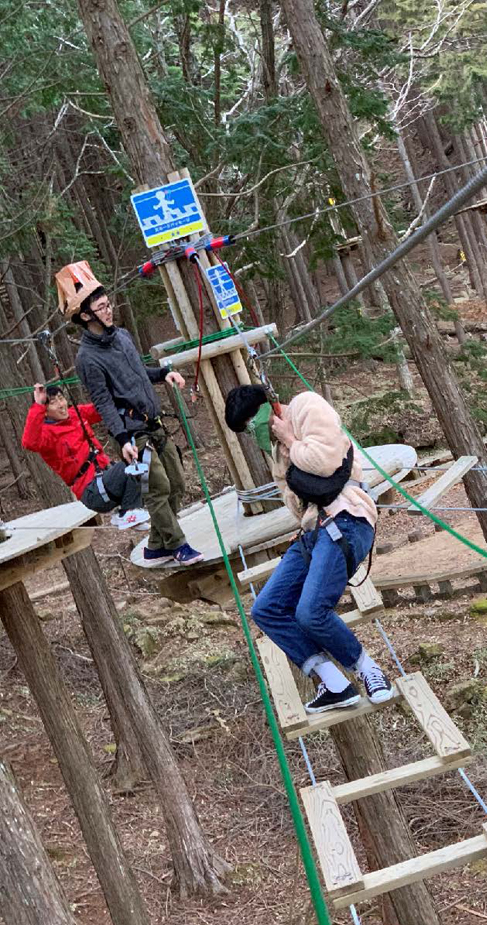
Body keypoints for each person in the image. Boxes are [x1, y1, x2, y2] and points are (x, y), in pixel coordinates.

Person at [225, 383, 395, 714]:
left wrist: (290, 439)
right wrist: (304, 524)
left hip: (347, 517)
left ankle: (369, 670)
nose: (253, 432)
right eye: (246, 430)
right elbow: (297, 500)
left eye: (251, 423)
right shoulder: (277, 453)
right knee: (267, 608)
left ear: (268, 408)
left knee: (311, 612)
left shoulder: (306, 407)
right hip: (314, 531)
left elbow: (325, 462)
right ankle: (334, 683)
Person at [55, 261, 203, 566]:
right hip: (132, 431)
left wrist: (163, 374)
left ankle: (157, 546)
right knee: (157, 488)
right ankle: (178, 545)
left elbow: (138, 371)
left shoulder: (122, 336)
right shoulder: (87, 359)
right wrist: (122, 439)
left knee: (177, 483)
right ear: (86, 315)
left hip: (154, 421)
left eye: (108, 304)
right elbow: (103, 402)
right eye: (101, 307)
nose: (108, 310)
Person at [22, 383, 149, 529]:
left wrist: (120, 388)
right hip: (92, 491)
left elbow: (101, 409)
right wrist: (38, 405)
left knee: (142, 462)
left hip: (106, 477)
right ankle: (128, 512)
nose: (61, 405)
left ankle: (130, 511)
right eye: (53, 402)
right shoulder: (46, 434)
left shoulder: (75, 413)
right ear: (45, 411)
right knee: (129, 466)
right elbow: (29, 442)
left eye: (61, 398)